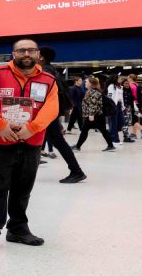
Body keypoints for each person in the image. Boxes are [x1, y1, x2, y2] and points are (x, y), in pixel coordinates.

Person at [0, 39, 58, 256]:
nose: (26, 53)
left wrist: (32, 128)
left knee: (23, 189)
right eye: (21, 50)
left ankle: (18, 228)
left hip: (31, 142)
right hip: (0, 141)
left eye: (31, 50)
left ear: (38, 54)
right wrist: (0, 126)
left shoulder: (48, 80)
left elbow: (51, 108)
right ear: (14, 54)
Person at [38, 47, 86, 183]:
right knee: (43, 138)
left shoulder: (45, 71)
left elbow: (42, 95)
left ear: (41, 57)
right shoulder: (52, 70)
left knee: (58, 141)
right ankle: (32, 163)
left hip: (46, 113)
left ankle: (76, 171)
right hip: (51, 112)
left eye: (35, 53)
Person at [73, 77, 115, 152]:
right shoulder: (93, 91)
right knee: (103, 131)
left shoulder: (94, 92)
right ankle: (110, 145)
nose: (85, 83)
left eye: (86, 82)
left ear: (91, 83)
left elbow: (94, 104)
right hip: (98, 115)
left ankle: (77, 146)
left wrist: (91, 115)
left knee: (85, 130)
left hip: (94, 116)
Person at [107, 76, 131, 143]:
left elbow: (121, 97)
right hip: (113, 106)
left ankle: (111, 134)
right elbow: (109, 97)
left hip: (120, 105)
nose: (120, 79)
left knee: (121, 122)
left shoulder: (120, 86)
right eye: (119, 78)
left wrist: (123, 107)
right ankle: (115, 139)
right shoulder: (111, 86)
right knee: (114, 123)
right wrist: (111, 106)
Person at [126, 74, 142, 139]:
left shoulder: (131, 86)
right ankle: (134, 134)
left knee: (133, 119)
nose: (127, 79)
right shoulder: (137, 85)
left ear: (130, 78)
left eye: (128, 78)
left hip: (133, 104)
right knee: (135, 118)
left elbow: (131, 96)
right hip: (138, 104)